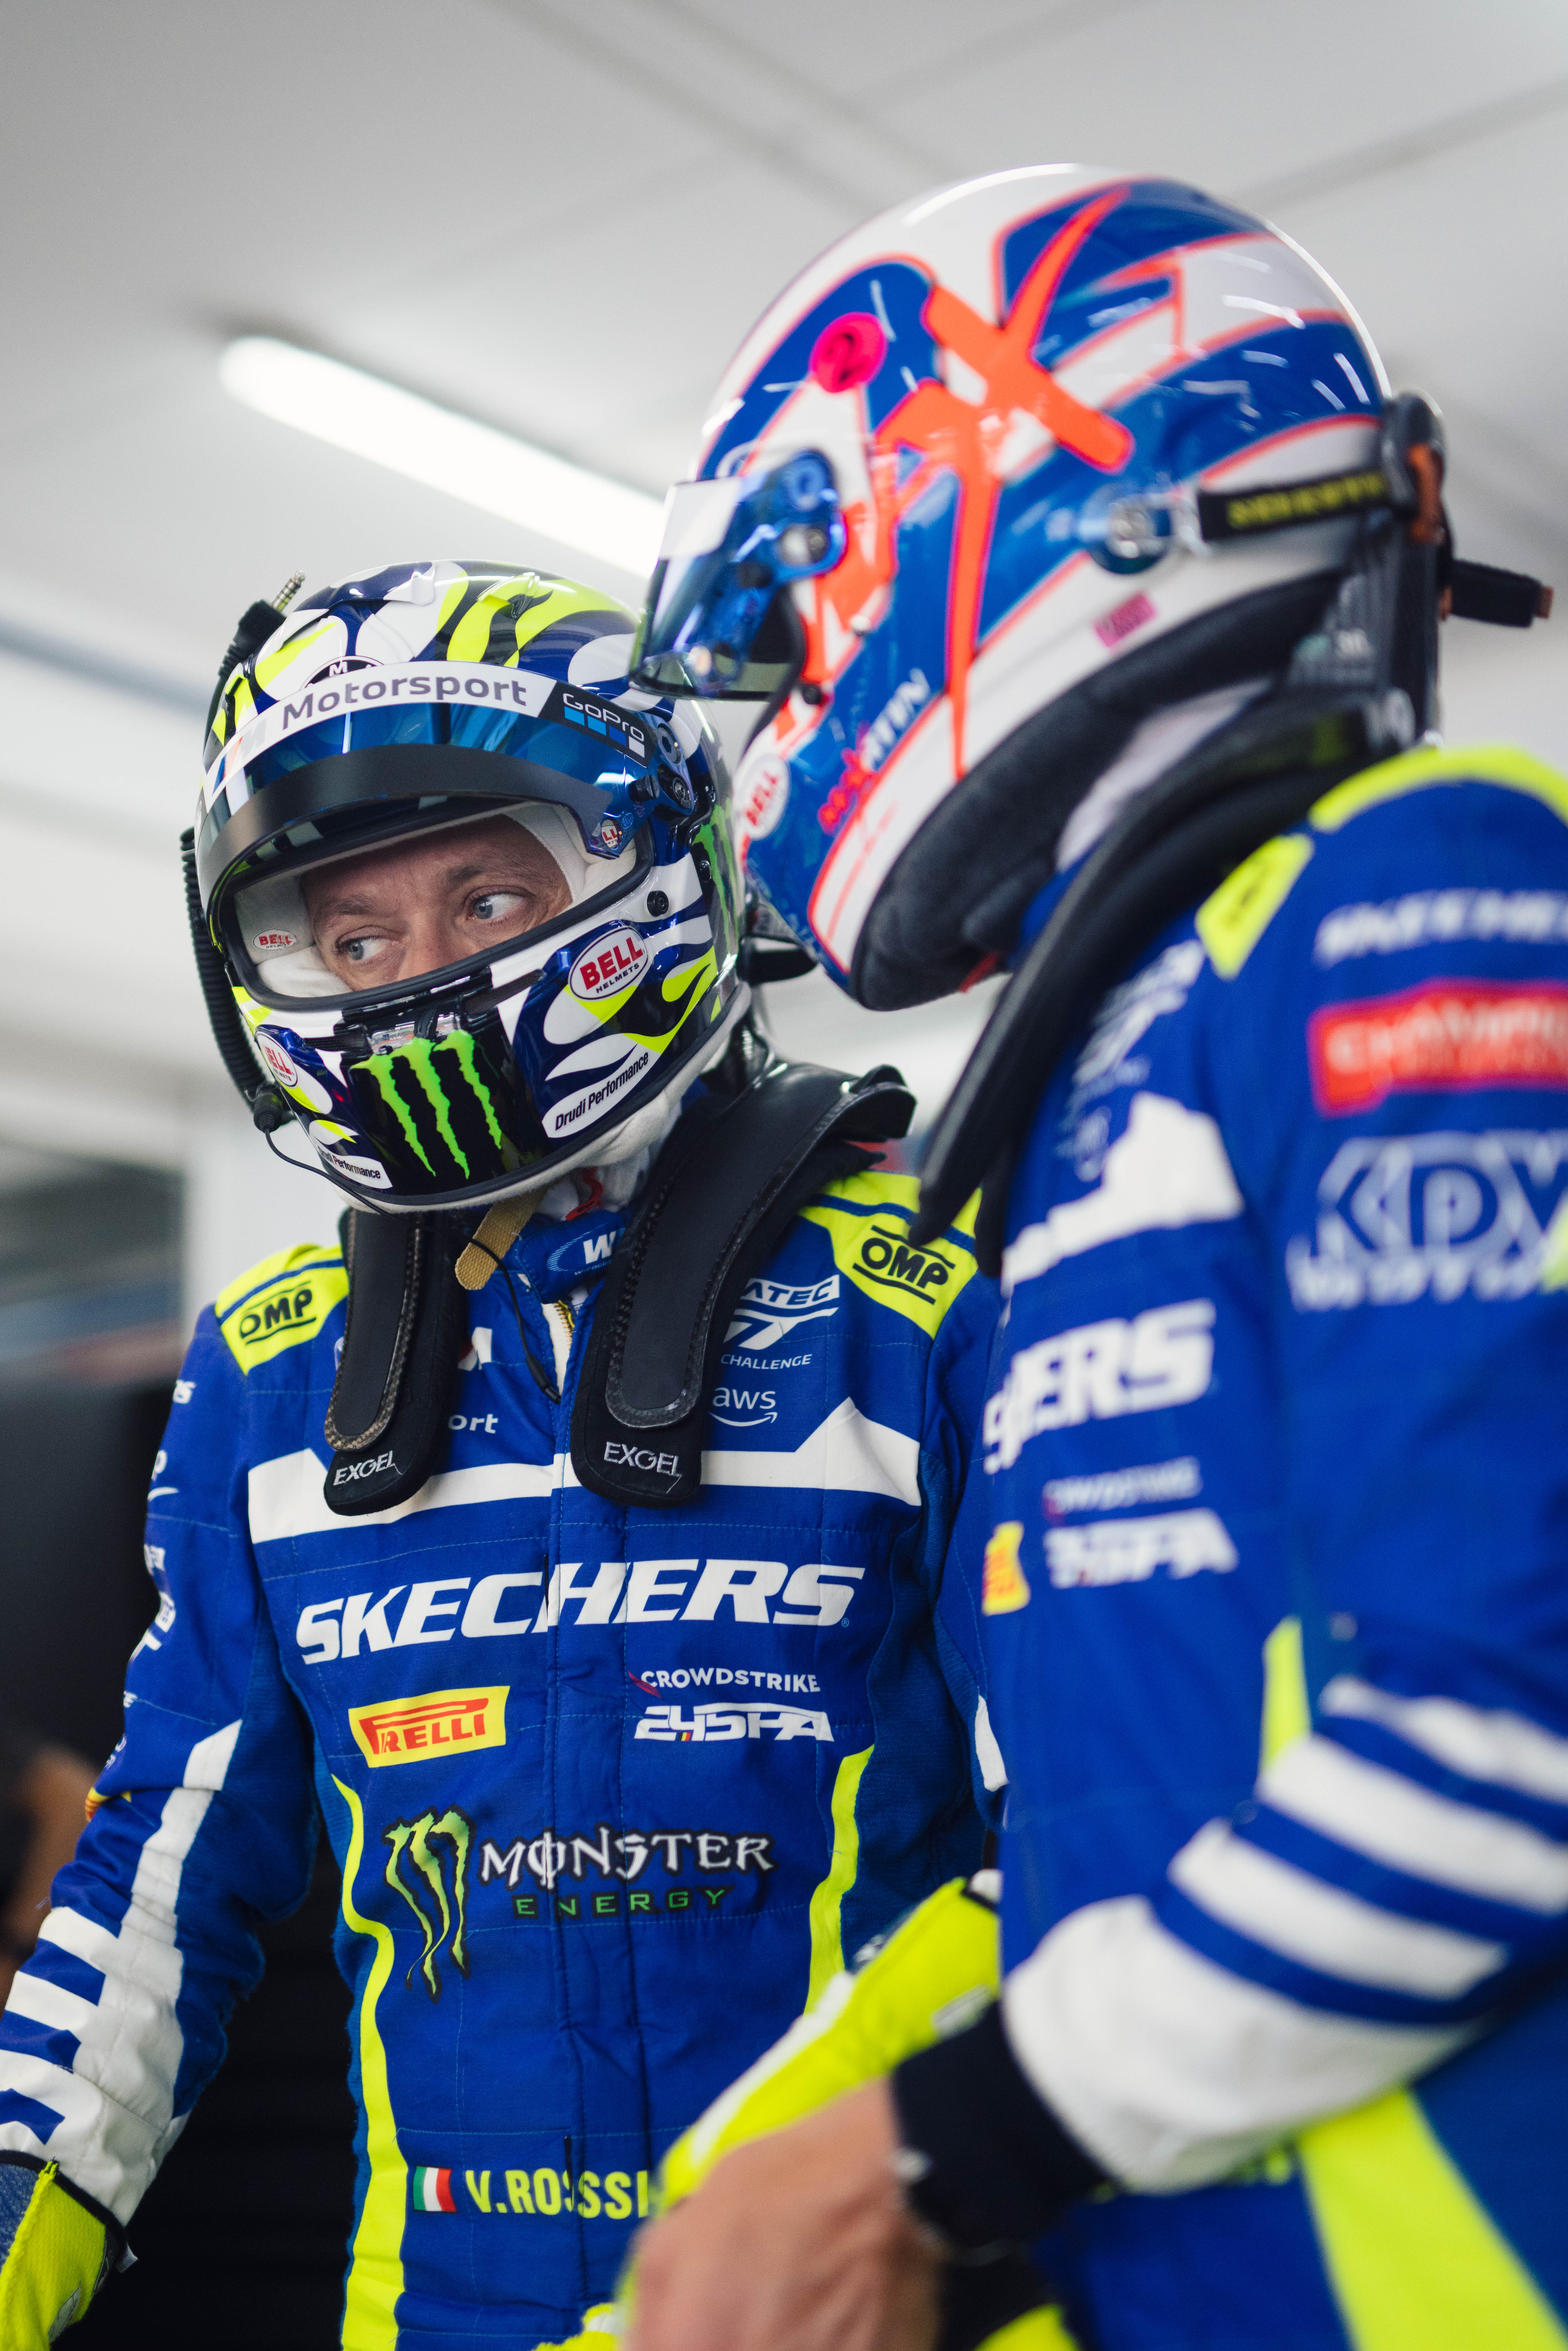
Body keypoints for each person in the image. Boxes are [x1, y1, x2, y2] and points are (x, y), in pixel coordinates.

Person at [620, 168, 1568, 2351]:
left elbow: (1515, 1722)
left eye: (796, 631)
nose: (786, 718)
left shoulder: (1408, 882)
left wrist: (931, 2148)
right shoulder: (1112, 1075)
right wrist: (768, 2184)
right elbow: (1103, 1827)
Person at [0, 561, 1001, 2347]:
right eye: (355, 938)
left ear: (664, 865)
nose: (421, 977)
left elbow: (1082, 1837)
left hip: (853, 2296)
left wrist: (838, 2194)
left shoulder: (931, 1298)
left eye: (486, 896)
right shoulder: (274, 1369)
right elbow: (161, 1872)